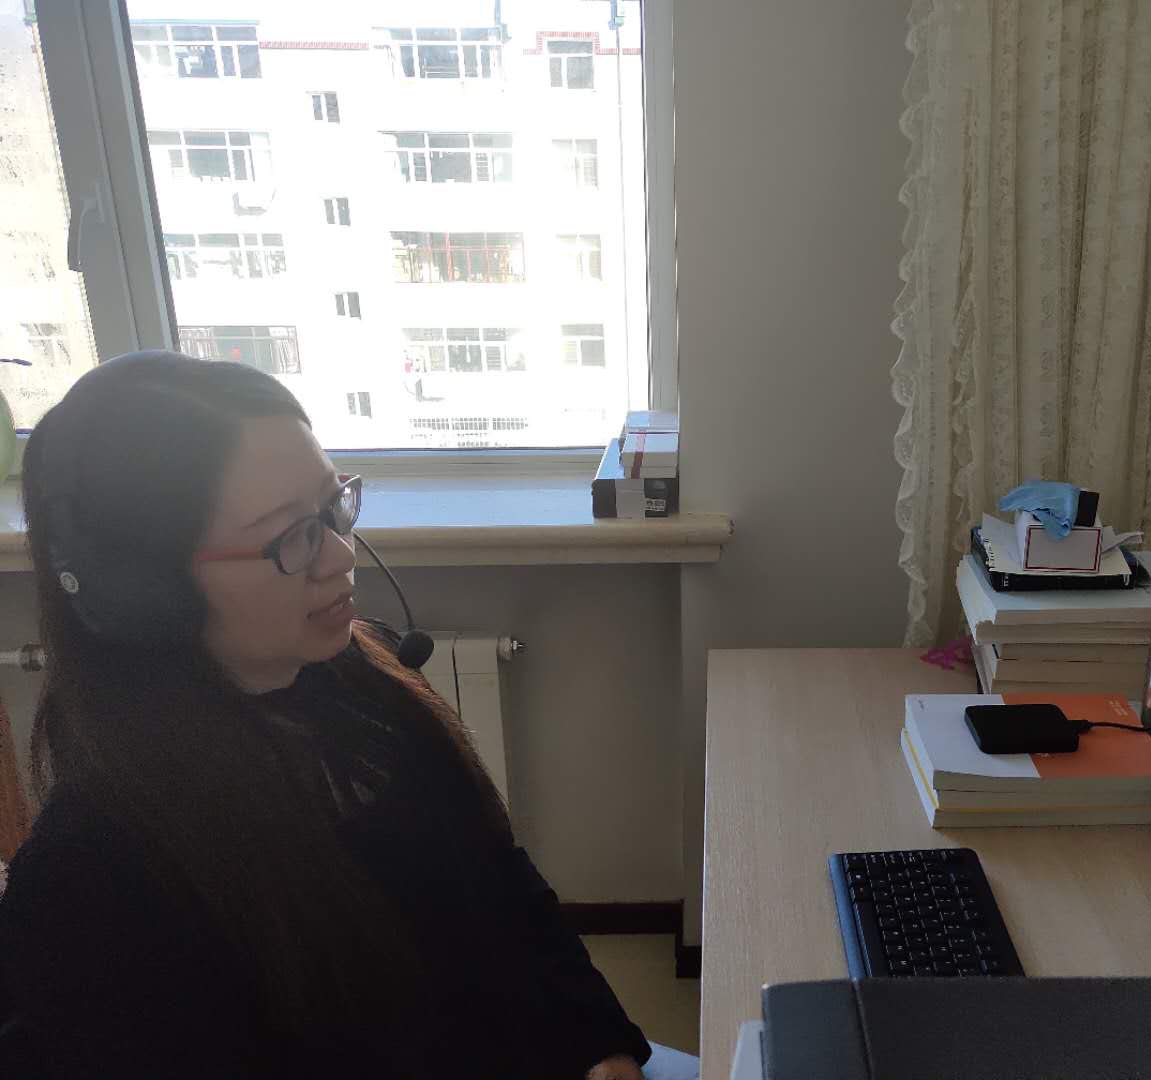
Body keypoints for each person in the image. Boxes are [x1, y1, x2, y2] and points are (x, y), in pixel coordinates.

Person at [0, 352, 698, 1079]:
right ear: (147, 594)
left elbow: (500, 882)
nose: (338, 555)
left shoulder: (360, 684)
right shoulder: (91, 884)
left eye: (333, 507)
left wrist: (600, 1042)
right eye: (291, 535)